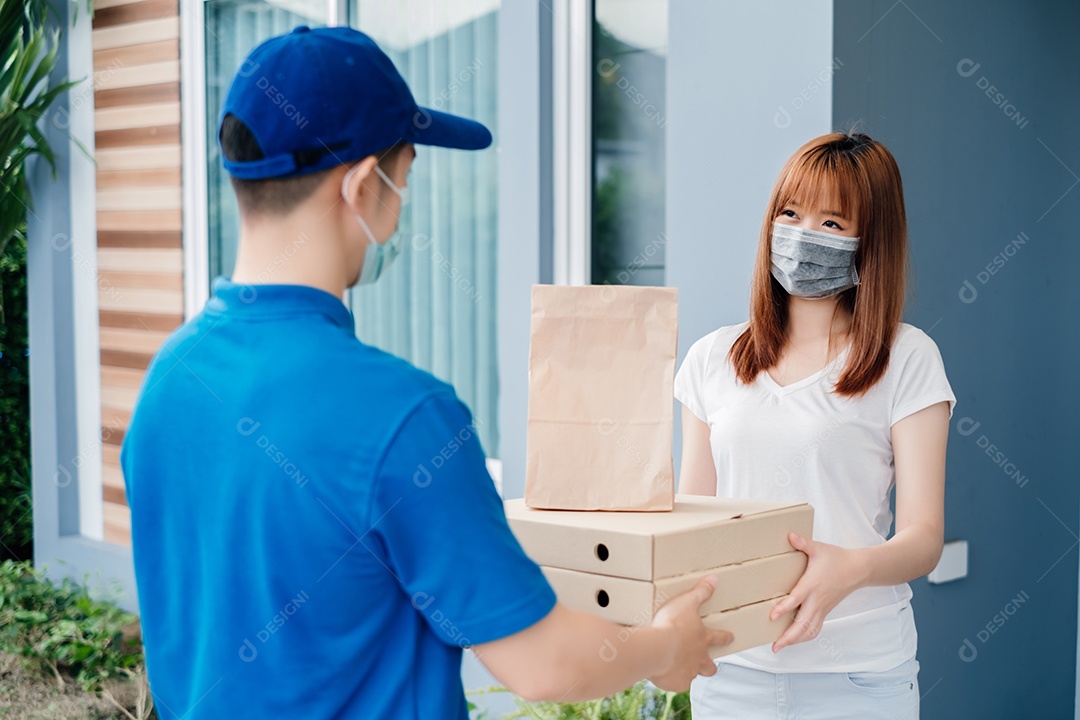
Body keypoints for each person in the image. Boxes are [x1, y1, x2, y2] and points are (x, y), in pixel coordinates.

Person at [121, 26, 731, 720]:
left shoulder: (168, 383)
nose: (401, 204)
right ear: (359, 186)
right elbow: (542, 662)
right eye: (402, 178)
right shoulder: (401, 415)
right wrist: (665, 646)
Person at [675, 132, 954, 720]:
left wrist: (850, 567)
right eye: (791, 213)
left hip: (859, 676)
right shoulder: (711, 358)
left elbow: (924, 539)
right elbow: (692, 520)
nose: (802, 235)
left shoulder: (907, 358)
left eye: (831, 223)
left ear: (870, 241)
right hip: (732, 668)